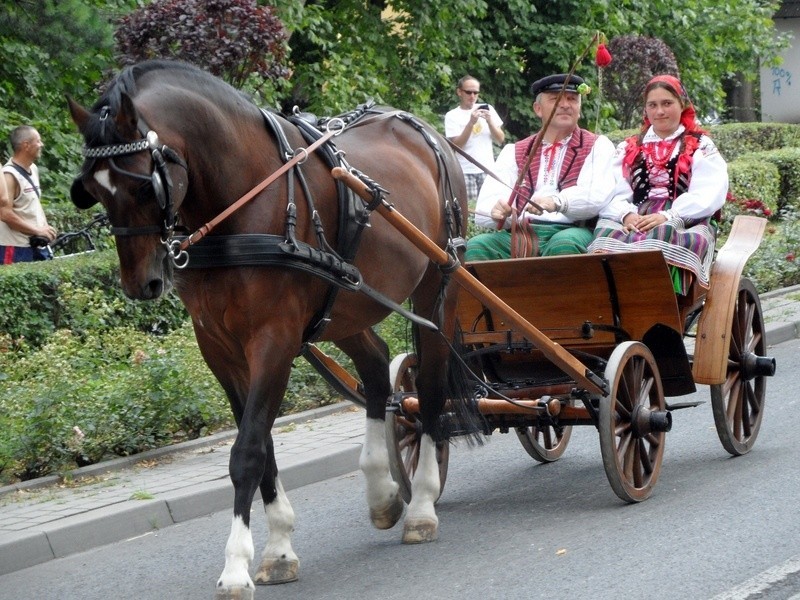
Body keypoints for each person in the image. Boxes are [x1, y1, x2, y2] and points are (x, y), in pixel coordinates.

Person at [588, 74, 728, 295]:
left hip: (686, 216)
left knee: (661, 235)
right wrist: (626, 215)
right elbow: (611, 190)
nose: (660, 111)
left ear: (682, 105)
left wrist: (669, 216)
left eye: (667, 103)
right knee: (605, 236)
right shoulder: (629, 146)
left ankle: (666, 304)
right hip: (636, 213)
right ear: (646, 110)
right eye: (652, 105)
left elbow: (709, 192)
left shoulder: (701, 145)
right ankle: (616, 301)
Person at [465, 73, 616, 260]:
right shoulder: (515, 151)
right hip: (524, 231)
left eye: (572, 99)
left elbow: (597, 195)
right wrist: (497, 212)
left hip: (574, 229)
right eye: (555, 99)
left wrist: (556, 202)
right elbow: (485, 210)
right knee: (477, 246)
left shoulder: (597, 145)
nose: (565, 105)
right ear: (538, 109)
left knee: (564, 244)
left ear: (579, 107)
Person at [445, 75, 505, 205]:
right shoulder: (452, 115)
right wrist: (471, 123)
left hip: (487, 169)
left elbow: (500, 139)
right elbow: (456, 145)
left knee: (489, 208)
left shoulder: (487, 108)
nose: (472, 96)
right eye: (468, 92)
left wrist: (489, 121)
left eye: (476, 92)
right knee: (469, 210)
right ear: (459, 92)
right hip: (465, 171)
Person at [1, 125, 56, 264]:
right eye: (38, 141)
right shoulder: (9, 175)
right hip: (15, 247)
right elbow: (4, 214)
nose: (41, 144)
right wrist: (37, 230)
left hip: (35, 244)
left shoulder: (33, 168)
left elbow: (33, 204)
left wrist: (45, 228)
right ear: (26, 145)